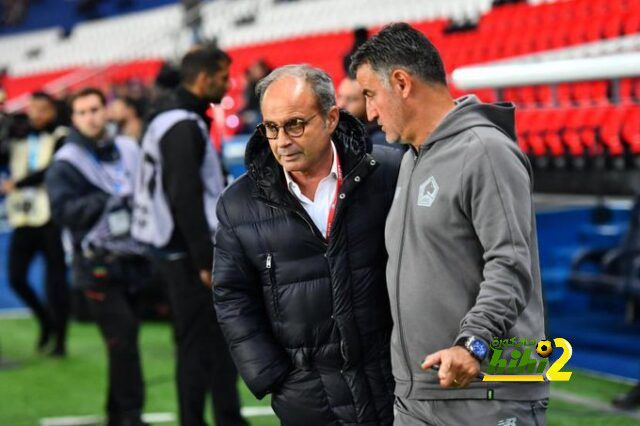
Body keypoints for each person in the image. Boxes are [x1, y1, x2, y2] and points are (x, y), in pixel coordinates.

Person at [351, 23, 549, 425]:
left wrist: (472, 345)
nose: (369, 112)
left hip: (485, 391)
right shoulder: (410, 158)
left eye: (371, 95)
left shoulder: (485, 151)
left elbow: (510, 264)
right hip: (418, 396)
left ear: (402, 83)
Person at [212, 64, 403, 425]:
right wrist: (272, 375)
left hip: (394, 386)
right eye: (271, 127)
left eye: (295, 124)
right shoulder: (237, 204)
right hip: (307, 402)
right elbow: (232, 295)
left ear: (331, 118)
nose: (282, 140)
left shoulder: (389, 173)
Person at [132, 47, 246, 426]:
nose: (227, 83)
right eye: (222, 75)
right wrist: (203, 260)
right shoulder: (181, 124)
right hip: (186, 254)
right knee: (199, 346)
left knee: (207, 344)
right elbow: (184, 197)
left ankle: (224, 416)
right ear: (204, 77)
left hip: (179, 250)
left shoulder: (174, 118)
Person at [46, 87, 148, 426]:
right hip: (95, 264)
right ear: (73, 119)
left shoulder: (125, 150)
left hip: (133, 259)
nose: (91, 117)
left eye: (95, 109)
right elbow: (62, 213)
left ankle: (117, 415)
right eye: (83, 112)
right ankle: (131, 416)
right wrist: (109, 199)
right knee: (124, 342)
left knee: (123, 343)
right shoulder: (66, 163)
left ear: (106, 111)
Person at [1, 91, 69, 356]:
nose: (37, 114)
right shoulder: (16, 134)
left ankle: (60, 340)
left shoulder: (61, 134)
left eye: (43, 109)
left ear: (54, 110)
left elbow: (52, 170)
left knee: (56, 281)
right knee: (16, 277)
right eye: (33, 109)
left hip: (51, 217)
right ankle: (45, 321)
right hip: (23, 216)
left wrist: (17, 183)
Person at [336, 76, 387, 146]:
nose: (341, 104)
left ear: (368, 101)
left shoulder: (380, 139)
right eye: (339, 96)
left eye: (351, 99)